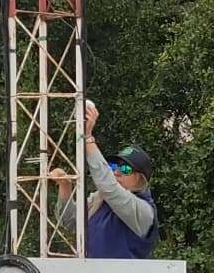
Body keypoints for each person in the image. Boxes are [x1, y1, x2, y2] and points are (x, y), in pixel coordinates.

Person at [55, 100, 159, 259]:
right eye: (113, 166)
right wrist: (65, 187)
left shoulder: (143, 210)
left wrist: (87, 137)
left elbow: (109, 188)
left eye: (125, 169)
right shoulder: (100, 199)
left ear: (140, 179)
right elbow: (69, 222)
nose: (116, 172)